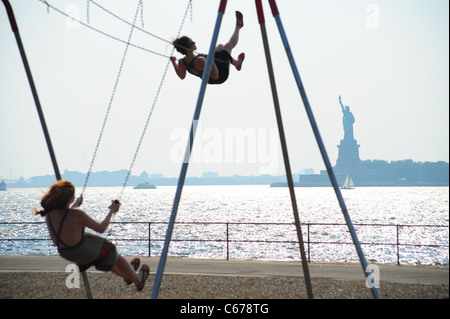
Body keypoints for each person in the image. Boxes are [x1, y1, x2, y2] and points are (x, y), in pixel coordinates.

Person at [34, 180, 149, 291]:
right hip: (83, 251)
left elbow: (66, 219)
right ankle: (138, 281)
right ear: (71, 198)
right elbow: (101, 228)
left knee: (102, 256)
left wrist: (75, 204)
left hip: (66, 253)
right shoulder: (77, 214)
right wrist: (111, 211)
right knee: (111, 251)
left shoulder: (50, 215)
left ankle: (127, 275)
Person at [171, 11, 245, 85]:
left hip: (213, 70)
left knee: (220, 47)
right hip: (220, 76)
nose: (195, 42)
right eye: (192, 43)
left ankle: (237, 64)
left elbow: (182, 76)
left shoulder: (182, 62)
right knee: (227, 48)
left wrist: (173, 62)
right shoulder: (199, 61)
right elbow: (215, 76)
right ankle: (238, 27)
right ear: (187, 49)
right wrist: (211, 61)